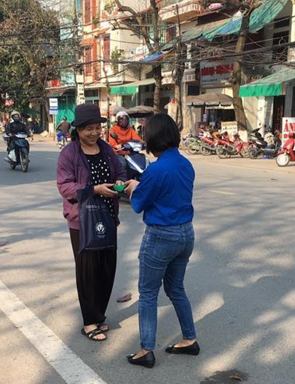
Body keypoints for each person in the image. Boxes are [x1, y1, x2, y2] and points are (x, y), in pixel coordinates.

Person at [123, 113, 198, 369]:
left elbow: (138, 204)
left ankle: (146, 350)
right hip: (186, 234)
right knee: (176, 289)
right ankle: (189, 339)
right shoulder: (186, 164)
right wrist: (142, 184)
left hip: (161, 236)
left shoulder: (155, 170)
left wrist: (134, 187)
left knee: (148, 293)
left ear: (153, 138)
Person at [56, 103, 127, 342]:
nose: (94, 132)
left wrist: (120, 183)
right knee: (87, 271)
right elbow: (64, 186)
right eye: (89, 129)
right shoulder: (69, 153)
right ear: (78, 130)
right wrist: (94, 189)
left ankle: (99, 315)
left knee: (106, 268)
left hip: (107, 216)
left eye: (97, 127)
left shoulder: (106, 150)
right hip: (82, 221)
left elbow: (120, 173)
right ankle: (89, 322)